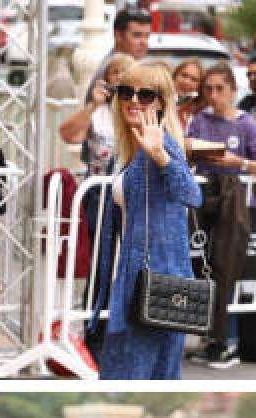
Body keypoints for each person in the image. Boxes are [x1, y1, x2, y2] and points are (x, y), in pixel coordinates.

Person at [89, 62, 202, 379]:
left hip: (154, 281)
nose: (134, 100)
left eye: (146, 94)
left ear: (163, 102)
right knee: (156, 376)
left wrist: (161, 157)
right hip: (147, 279)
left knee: (127, 375)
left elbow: (192, 195)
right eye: (126, 92)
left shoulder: (161, 144)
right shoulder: (133, 149)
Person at [185, 63, 256, 369]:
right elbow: (188, 153)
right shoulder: (199, 120)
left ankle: (226, 340)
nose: (213, 95)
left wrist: (239, 162)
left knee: (227, 269)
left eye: (219, 88)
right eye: (208, 88)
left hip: (233, 201)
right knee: (202, 266)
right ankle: (206, 337)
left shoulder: (245, 124)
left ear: (233, 90)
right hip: (203, 200)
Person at [60, 53, 135, 178]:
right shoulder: (98, 112)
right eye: (115, 72)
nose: (120, 76)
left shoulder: (143, 112)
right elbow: (68, 135)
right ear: (106, 80)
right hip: (99, 190)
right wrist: (94, 105)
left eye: (126, 72)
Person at [173, 58, 205, 133]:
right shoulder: (160, 103)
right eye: (184, 75)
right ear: (175, 76)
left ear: (200, 86)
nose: (187, 82)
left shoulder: (202, 113)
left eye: (194, 79)